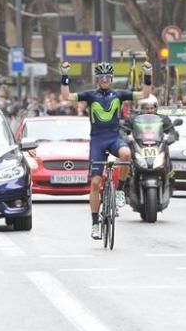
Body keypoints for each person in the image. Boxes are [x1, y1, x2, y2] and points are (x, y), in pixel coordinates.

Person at [60, 60, 153, 240]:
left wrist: (148, 74)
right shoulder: (90, 95)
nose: (104, 80)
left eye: (107, 77)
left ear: (111, 78)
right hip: (97, 140)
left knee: (126, 154)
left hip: (113, 137)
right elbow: (66, 96)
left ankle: (120, 189)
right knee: (95, 183)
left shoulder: (119, 94)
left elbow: (145, 93)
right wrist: (64, 75)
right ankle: (95, 223)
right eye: (101, 77)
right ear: (97, 79)